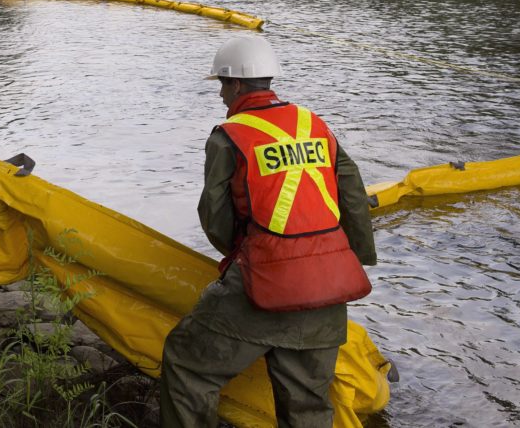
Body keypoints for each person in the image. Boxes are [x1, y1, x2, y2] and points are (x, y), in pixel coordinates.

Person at [160, 35, 376, 428]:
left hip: (266, 282)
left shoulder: (231, 135)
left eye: (223, 85)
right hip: (329, 288)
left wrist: (239, 264)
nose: (221, 96)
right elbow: (354, 198)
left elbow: (216, 217)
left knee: (186, 366)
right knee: (308, 403)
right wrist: (353, 258)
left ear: (238, 84)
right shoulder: (315, 124)